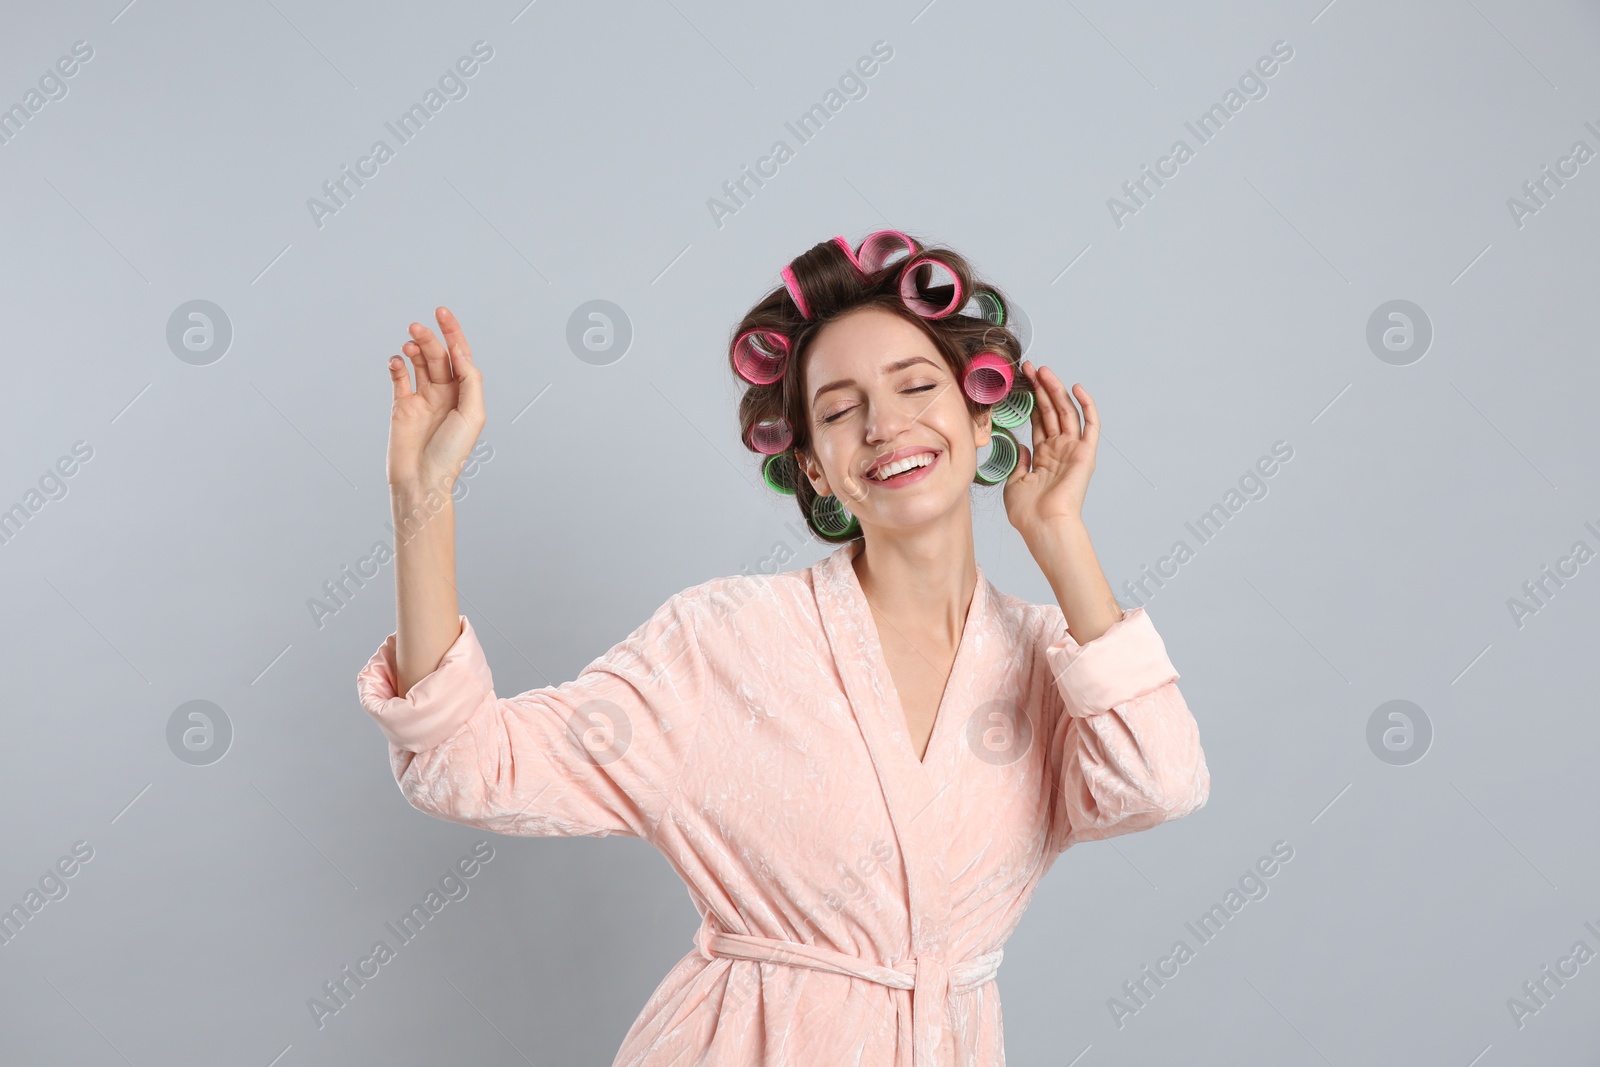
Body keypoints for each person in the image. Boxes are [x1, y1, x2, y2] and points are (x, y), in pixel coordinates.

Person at [356, 231, 1211, 1066]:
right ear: (812, 466)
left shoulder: (1055, 662)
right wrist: (420, 500)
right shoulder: (722, 643)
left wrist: (1060, 537)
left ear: (982, 417)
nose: (883, 424)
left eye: (917, 387)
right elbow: (466, 764)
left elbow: (1158, 781)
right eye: (840, 409)